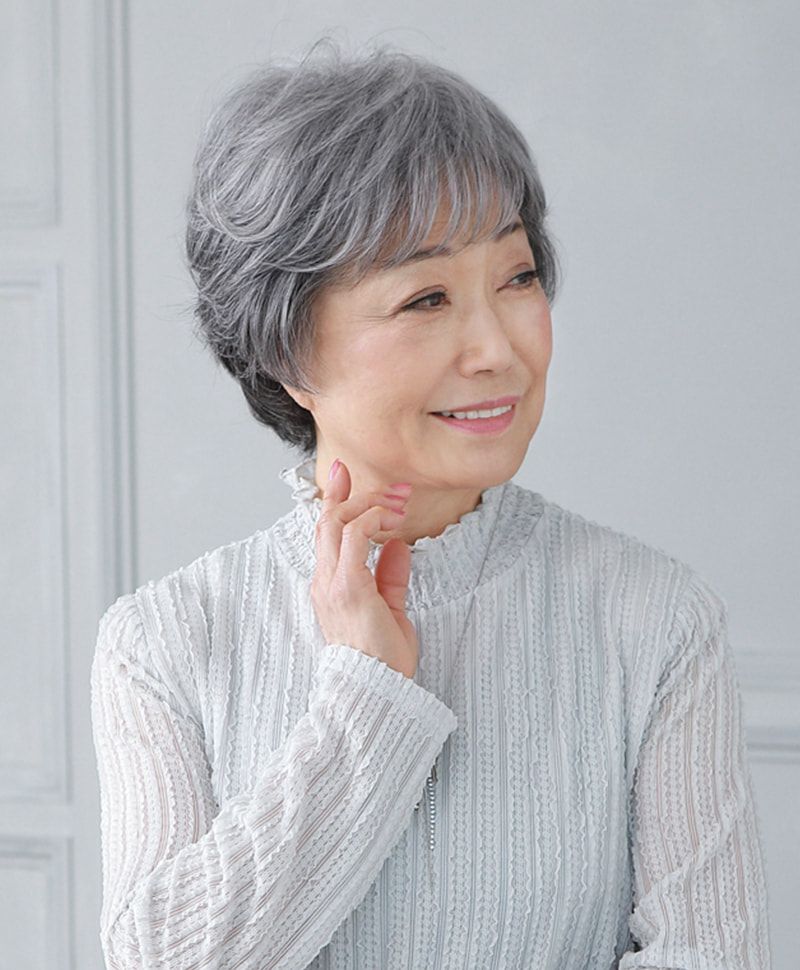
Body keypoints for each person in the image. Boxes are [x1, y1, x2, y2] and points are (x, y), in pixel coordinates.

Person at [90, 36, 771, 970]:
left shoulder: (653, 622)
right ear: (286, 353)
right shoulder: (167, 643)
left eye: (517, 277)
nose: (498, 348)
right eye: (426, 299)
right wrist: (365, 696)